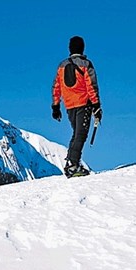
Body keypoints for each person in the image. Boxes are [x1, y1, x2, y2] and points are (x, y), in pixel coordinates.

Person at [51, 36, 102, 177]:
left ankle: (71, 164)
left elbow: (56, 86)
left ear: (70, 48)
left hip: (69, 106)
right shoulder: (86, 64)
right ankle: (73, 165)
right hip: (83, 103)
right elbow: (91, 86)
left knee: (76, 133)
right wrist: (97, 105)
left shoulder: (61, 66)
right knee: (81, 134)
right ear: (82, 48)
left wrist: (55, 106)